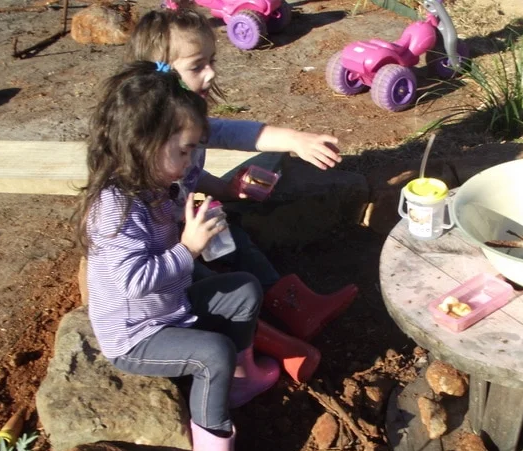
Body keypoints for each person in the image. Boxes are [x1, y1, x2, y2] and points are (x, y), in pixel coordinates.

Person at [75, 61, 275, 451]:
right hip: (137, 333)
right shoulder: (115, 207)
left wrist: (193, 223)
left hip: (170, 305)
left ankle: (239, 384)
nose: (190, 163)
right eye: (183, 152)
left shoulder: (157, 183)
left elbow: (170, 248)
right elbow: (132, 282)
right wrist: (187, 247)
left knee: (243, 289)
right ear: (144, 145)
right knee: (212, 354)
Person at [124, 8, 359, 383]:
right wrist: (189, 242)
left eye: (211, 61)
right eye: (198, 65)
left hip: (187, 223)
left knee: (235, 240)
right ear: (159, 73)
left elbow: (231, 138)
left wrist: (230, 186)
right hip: (165, 251)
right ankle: (280, 345)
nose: (211, 73)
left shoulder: (183, 118)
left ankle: (296, 309)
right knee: (205, 287)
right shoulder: (147, 134)